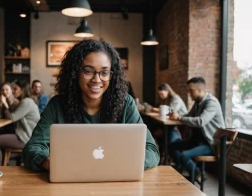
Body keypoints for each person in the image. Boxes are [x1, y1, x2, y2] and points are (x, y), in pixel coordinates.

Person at [22, 39, 160, 172]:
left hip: (116, 182)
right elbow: (33, 147)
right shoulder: (57, 105)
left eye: (104, 72)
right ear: (75, 72)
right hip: (70, 182)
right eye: (88, 71)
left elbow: (151, 150)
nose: (97, 79)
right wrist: (48, 163)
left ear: (111, 75)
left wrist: (127, 165)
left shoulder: (126, 104)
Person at [168, 77, 225, 181]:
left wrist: (180, 118)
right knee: (171, 146)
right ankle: (195, 173)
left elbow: (201, 121)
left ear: (199, 90)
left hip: (210, 144)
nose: (189, 93)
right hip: (196, 141)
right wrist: (176, 115)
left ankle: (195, 175)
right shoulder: (198, 102)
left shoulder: (211, 102)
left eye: (190, 90)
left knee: (184, 156)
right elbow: (188, 115)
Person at [0, 80, 40, 166]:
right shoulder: (26, 101)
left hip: (26, 138)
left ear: (22, 90)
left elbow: (11, 117)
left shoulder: (26, 102)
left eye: (15, 88)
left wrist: (4, 103)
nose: (13, 91)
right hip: (26, 136)